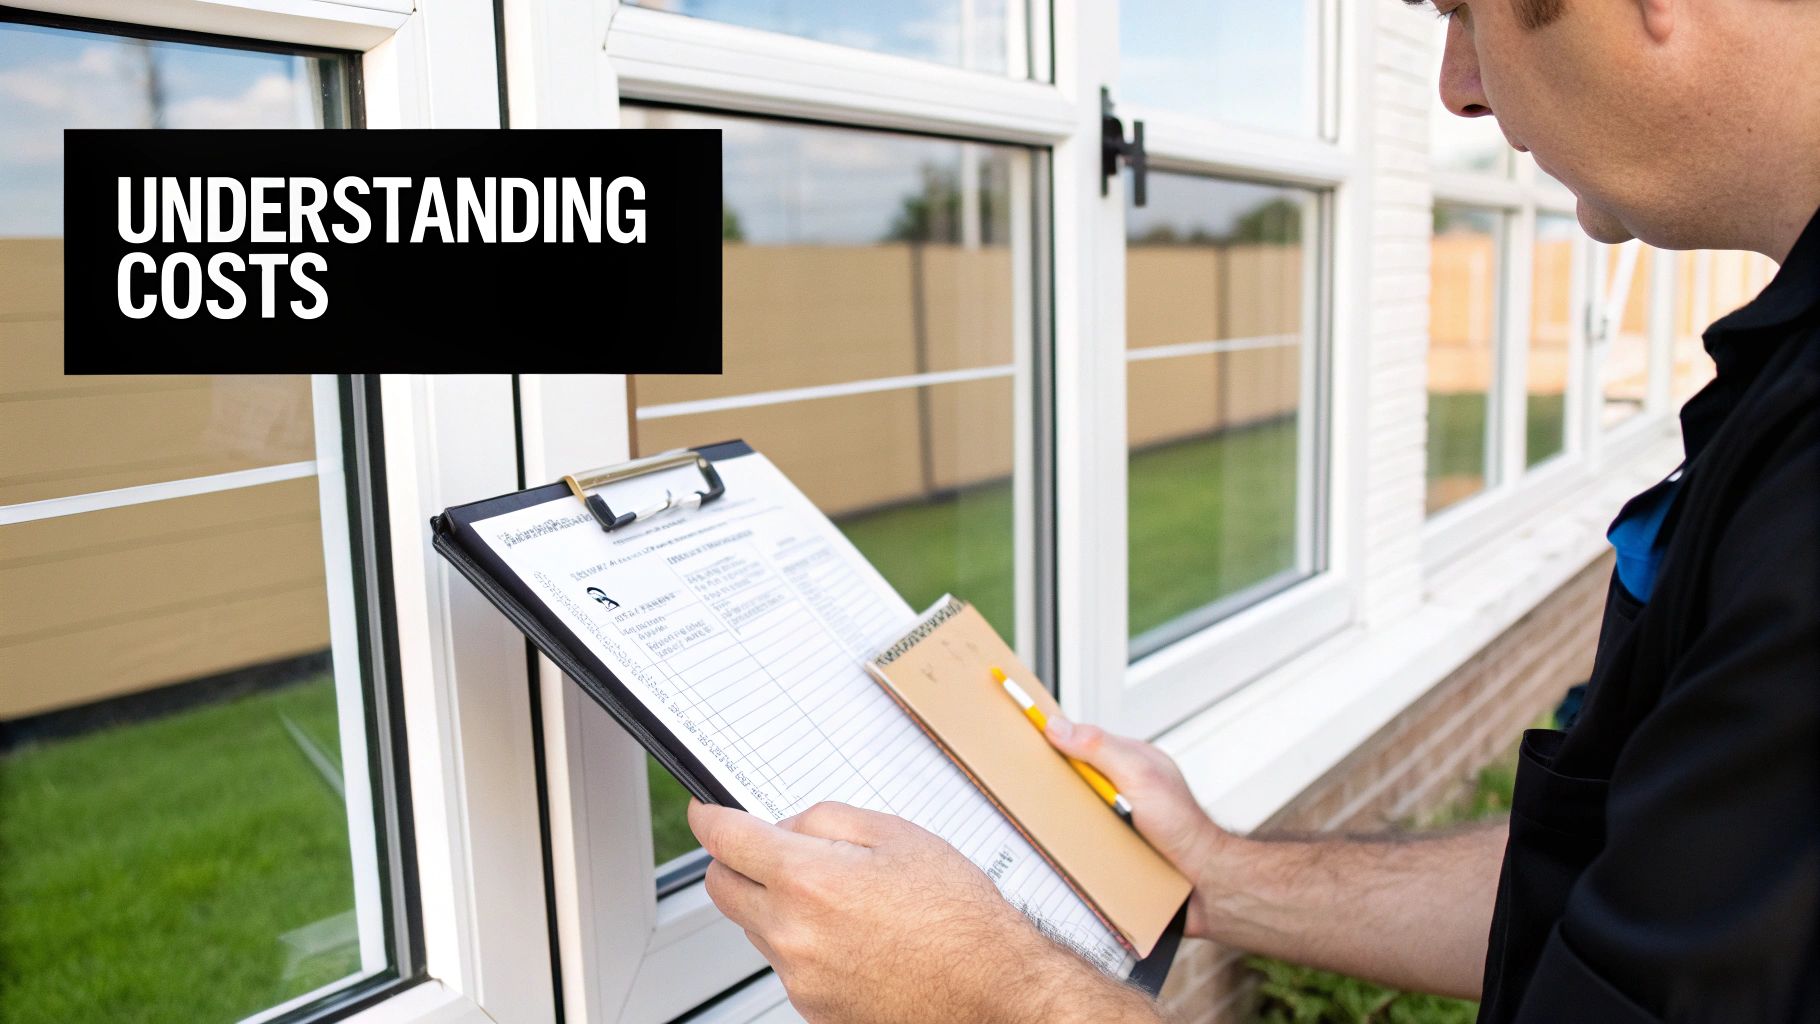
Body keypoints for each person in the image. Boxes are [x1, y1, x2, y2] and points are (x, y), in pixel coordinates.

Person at [687, 0, 1820, 1019]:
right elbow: (1620, 876)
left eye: (1463, 12)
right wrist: (1206, 873)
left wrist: (994, 992)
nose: (1454, 86)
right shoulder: (1780, 382)